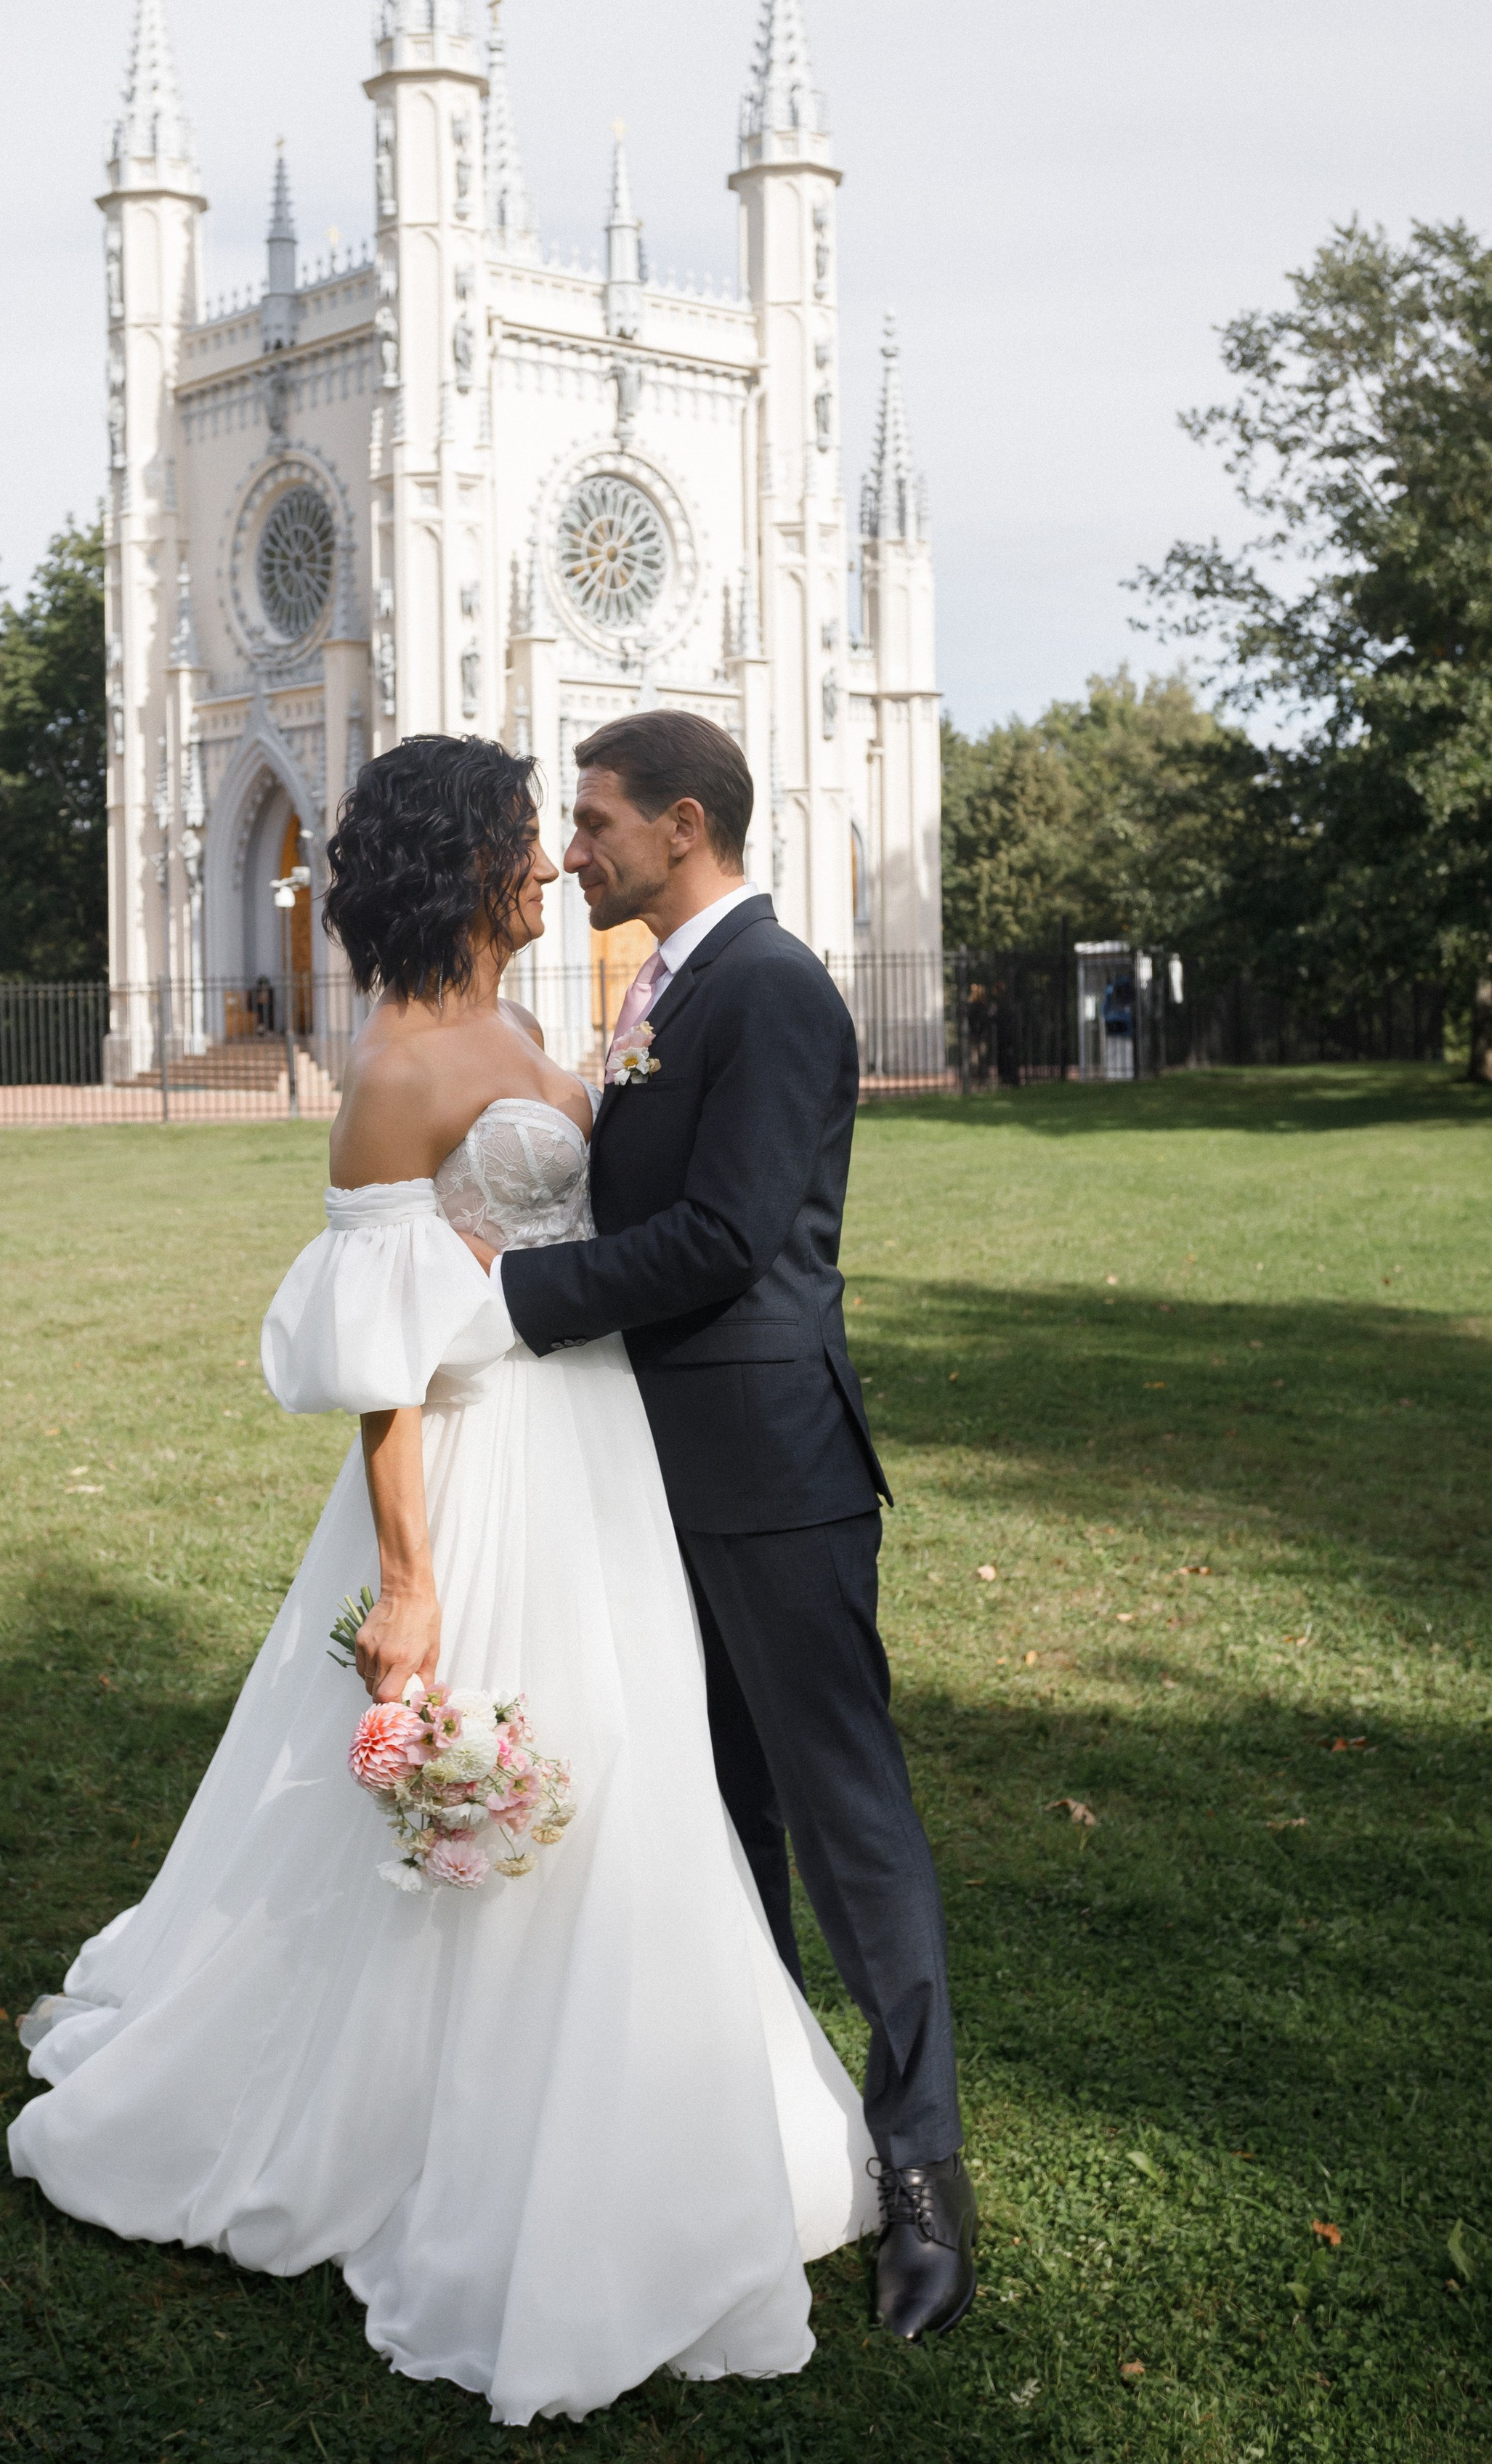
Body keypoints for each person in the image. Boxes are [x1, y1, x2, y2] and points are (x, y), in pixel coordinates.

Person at [8, 734, 877, 2431]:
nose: (549, 863)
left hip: (600, 1459)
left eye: (564, 835)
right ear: (464, 866)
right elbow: (384, 1368)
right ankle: (419, 2126)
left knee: (627, 1772)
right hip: (481, 1478)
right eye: (520, 840)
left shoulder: (535, 1032)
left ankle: (649, 2100)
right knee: (495, 1780)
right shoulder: (396, 1070)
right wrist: (406, 1581)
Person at [483, 710, 975, 2343]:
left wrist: (513, 1295)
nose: (570, 849)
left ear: (683, 825)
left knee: (844, 1819)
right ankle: (772, 2124)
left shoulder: (769, 990)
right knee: (710, 1808)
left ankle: (921, 2176)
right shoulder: (665, 984)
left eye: (595, 821)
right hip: (646, 1473)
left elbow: (723, 1235)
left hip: (770, 1472)